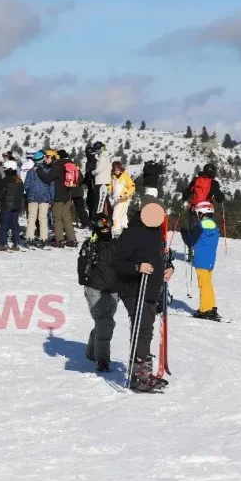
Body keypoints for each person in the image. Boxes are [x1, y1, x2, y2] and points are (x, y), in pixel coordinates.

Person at [113, 197, 173, 392]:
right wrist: (137, 267)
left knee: (146, 329)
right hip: (133, 289)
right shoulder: (132, 233)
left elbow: (160, 256)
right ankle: (139, 377)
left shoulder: (155, 232)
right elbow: (117, 262)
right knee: (142, 327)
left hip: (151, 289)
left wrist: (169, 268)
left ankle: (143, 373)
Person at [78, 214, 119, 372]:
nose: (106, 227)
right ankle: (102, 358)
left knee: (106, 321)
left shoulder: (117, 244)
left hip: (114, 288)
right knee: (104, 322)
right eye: (102, 224)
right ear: (95, 227)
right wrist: (86, 282)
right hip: (95, 287)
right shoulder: (90, 245)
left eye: (108, 223)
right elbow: (82, 267)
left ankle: (91, 351)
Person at [182, 202, 222, 321]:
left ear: (202, 213)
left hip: (201, 261)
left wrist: (184, 233)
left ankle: (205, 310)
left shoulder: (200, 226)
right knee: (208, 283)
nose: (197, 215)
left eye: (198, 213)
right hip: (210, 260)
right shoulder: (214, 226)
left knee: (203, 284)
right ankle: (210, 306)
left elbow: (190, 241)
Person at [36, 150, 78, 248]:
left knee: (57, 219)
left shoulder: (56, 167)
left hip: (58, 197)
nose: (45, 159)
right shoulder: (65, 165)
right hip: (67, 196)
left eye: (47, 157)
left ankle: (59, 240)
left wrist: (38, 170)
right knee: (67, 219)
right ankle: (72, 239)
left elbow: (47, 178)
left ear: (53, 157)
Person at [24, 151, 53, 247]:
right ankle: (44, 238)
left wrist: (30, 192)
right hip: (45, 197)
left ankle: (30, 237)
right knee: (43, 218)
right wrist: (51, 199)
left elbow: (26, 186)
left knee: (31, 218)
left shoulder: (30, 172)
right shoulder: (48, 171)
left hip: (32, 197)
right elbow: (51, 186)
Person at [0, 161, 23, 251]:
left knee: (4, 225)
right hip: (16, 206)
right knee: (15, 224)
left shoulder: (5, 180)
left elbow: (1, 194)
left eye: (5, 168)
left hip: (6, 205)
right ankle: (16, 243)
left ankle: (3, 243)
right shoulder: (19, 180)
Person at [108, 161, 136, 237]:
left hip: (123, 200)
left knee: (116, 216)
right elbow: (111, 187)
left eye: (118, 169)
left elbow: (132, 186)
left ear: (120, 169)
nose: (116, 171)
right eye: (115, 169)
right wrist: (108, 190)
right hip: (116, 200)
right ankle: (127, 233)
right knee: (123, 218)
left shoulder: (124, 176)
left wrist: (126, 195)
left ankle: (116, 234)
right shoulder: (113, 177)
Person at [91, 142, 112, 220]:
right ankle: (110, 218)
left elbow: (98, 169)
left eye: (97, 149)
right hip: (104, 182)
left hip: (100, 183)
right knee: (105, 202)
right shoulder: (105, 157)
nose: (96, 151)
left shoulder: (103, 157)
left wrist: (92, 172)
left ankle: (96, 220)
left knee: (98, 203)